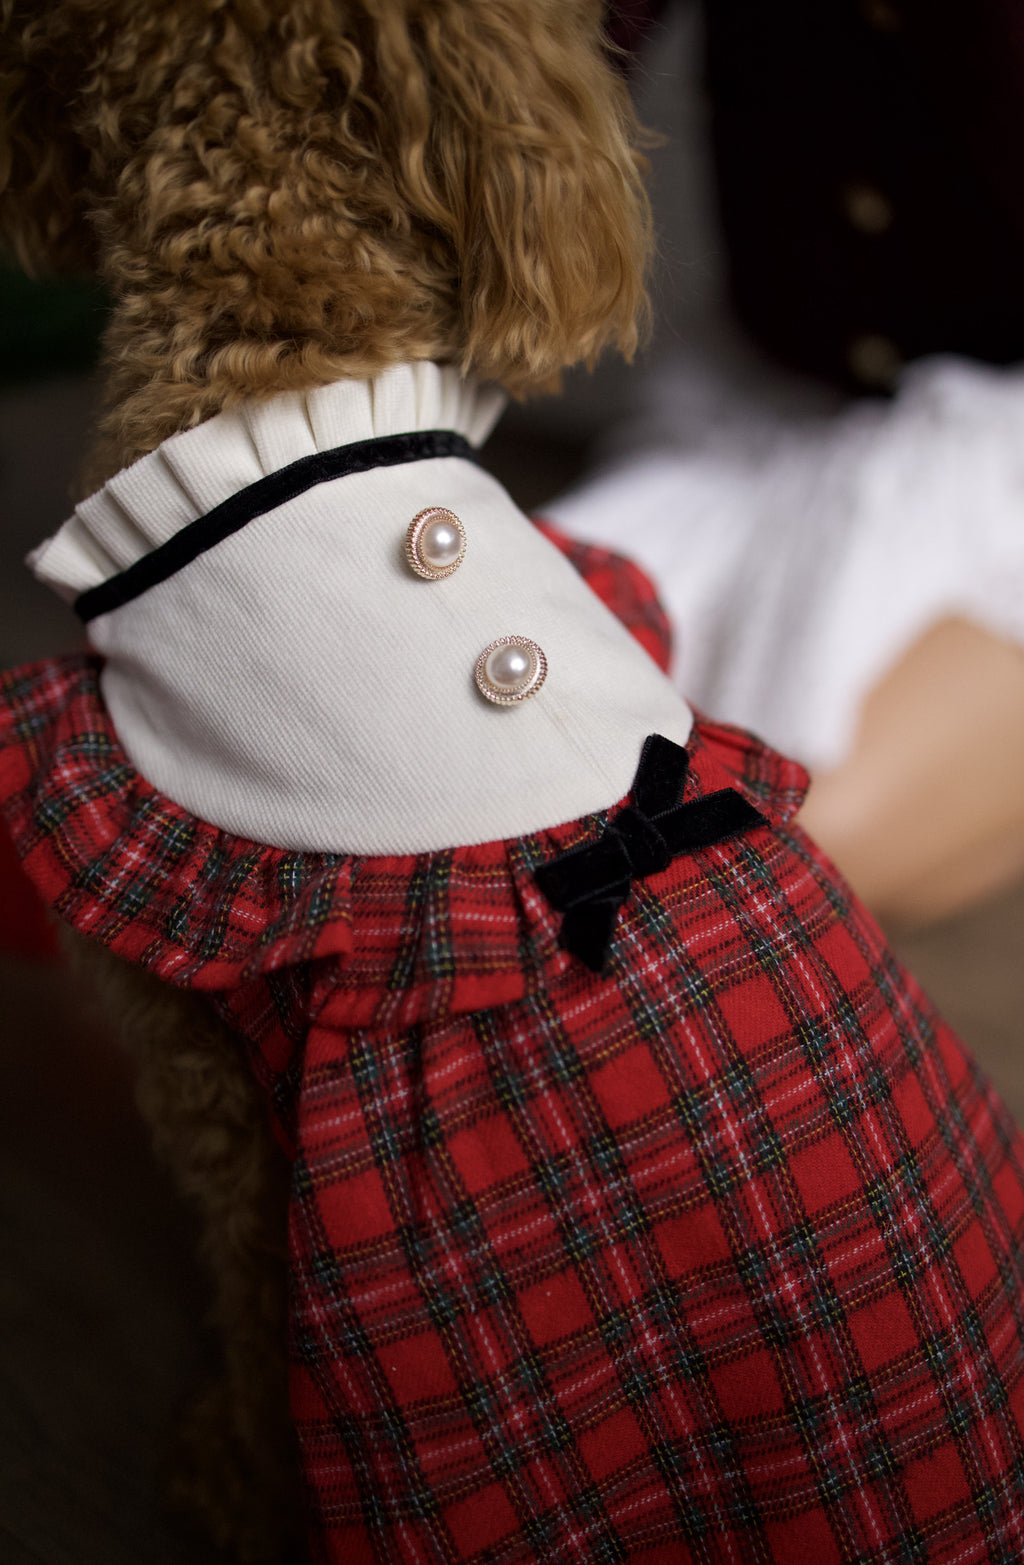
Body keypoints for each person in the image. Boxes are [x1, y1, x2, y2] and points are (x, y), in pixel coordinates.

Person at [549, 0, 1024, 926]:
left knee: (707, 883)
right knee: (483, 773)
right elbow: (536, 67)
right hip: (757, 413)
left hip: (1005, 448)